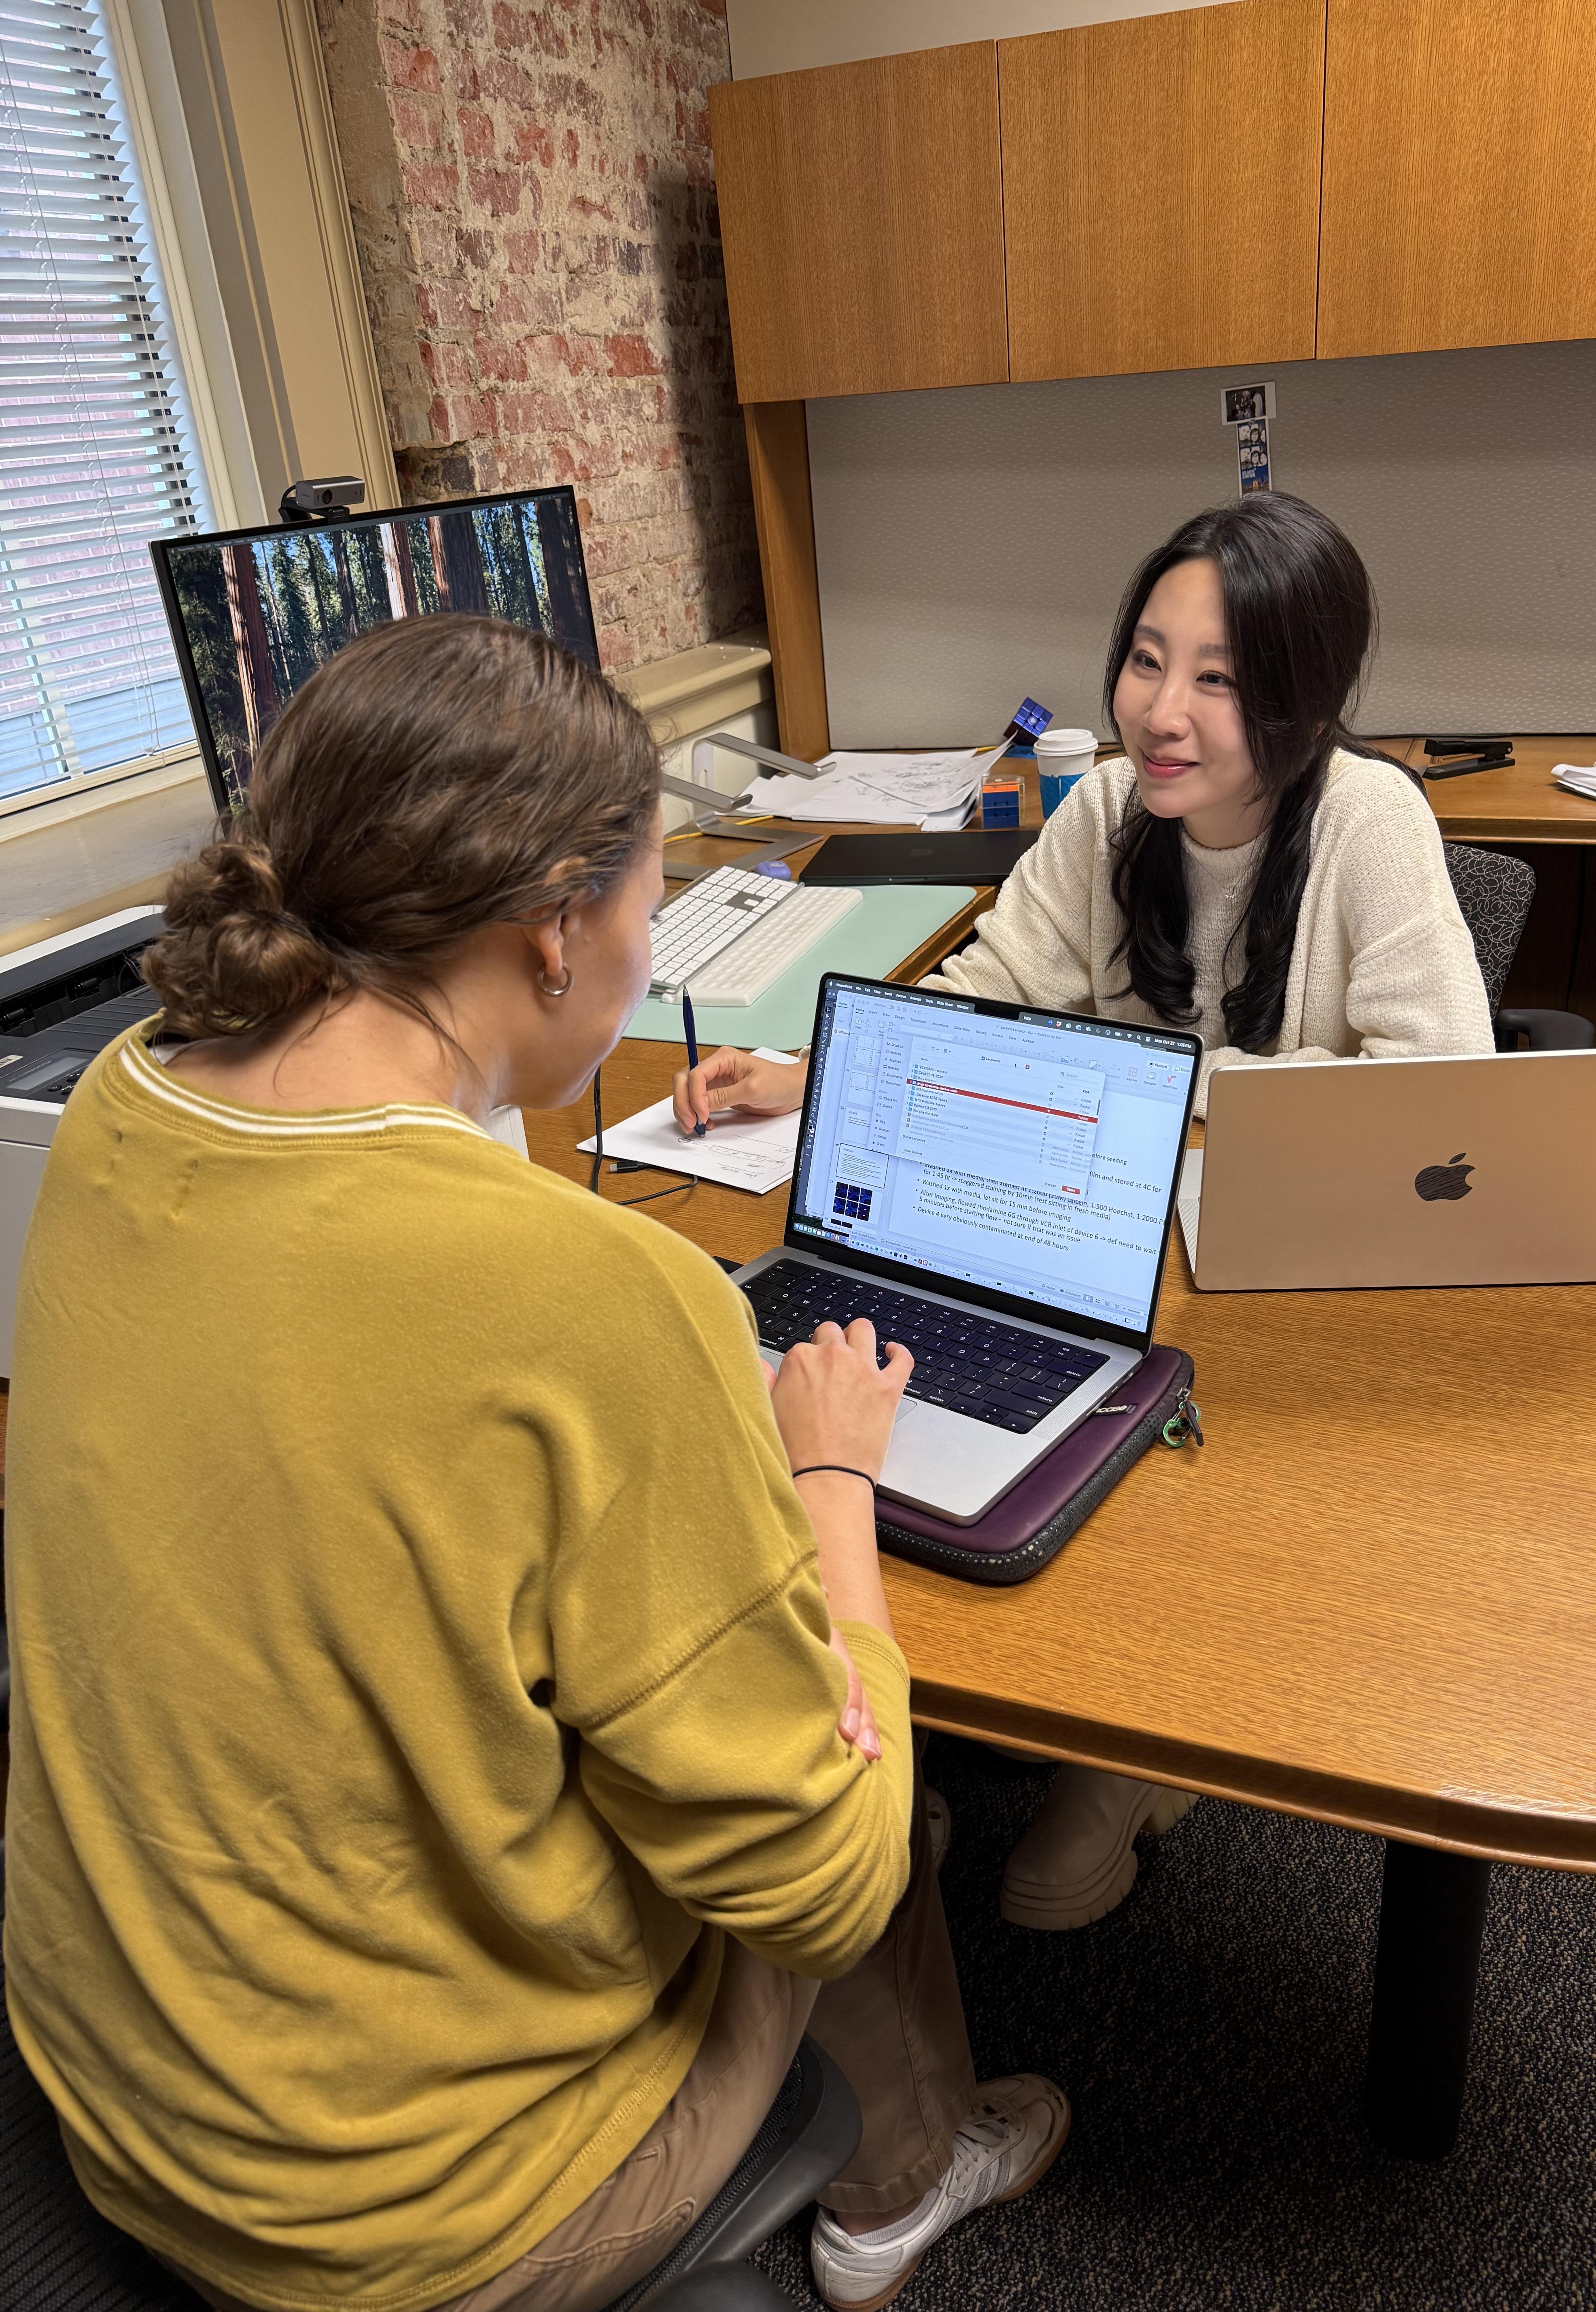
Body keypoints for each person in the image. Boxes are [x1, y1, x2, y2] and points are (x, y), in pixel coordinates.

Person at [2, 614, 1068, 2312]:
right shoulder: (598, 1300)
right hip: (400, 2221)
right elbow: (822, 1876)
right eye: (655, 903)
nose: (653, 943)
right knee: (878, 1812)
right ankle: (908, 2171)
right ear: (556, 929)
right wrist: (833, 1483)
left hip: (121, 2084)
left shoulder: (126, 1112)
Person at [674, 492, 1493, 1933]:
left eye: (1220, 677)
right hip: (1090, 1242)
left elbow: (1438, 1093)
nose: (1162, 710)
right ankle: (1003, 1711)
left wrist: (1157, 1092)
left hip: (1265, 1271)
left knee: (1170, 1452)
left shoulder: (1370, 820)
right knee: (963, 1385)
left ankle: (1128, 1754)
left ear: (1301, 698)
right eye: (1145, 658)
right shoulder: (1107, 805)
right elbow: (995, 988)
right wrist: (814, 1074)